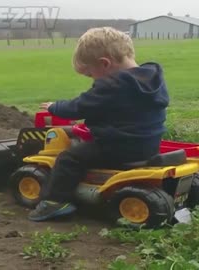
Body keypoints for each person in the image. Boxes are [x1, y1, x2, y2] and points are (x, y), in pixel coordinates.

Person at [28, 27, 169, 221]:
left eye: (89, 74)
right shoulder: (152, 79)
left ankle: (54, 202)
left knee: (69, 158)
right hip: (149, 146)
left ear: (104, 64)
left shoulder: (113, 85)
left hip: (118, 149)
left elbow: (79, 107)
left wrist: (55, 107)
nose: (92, 80)